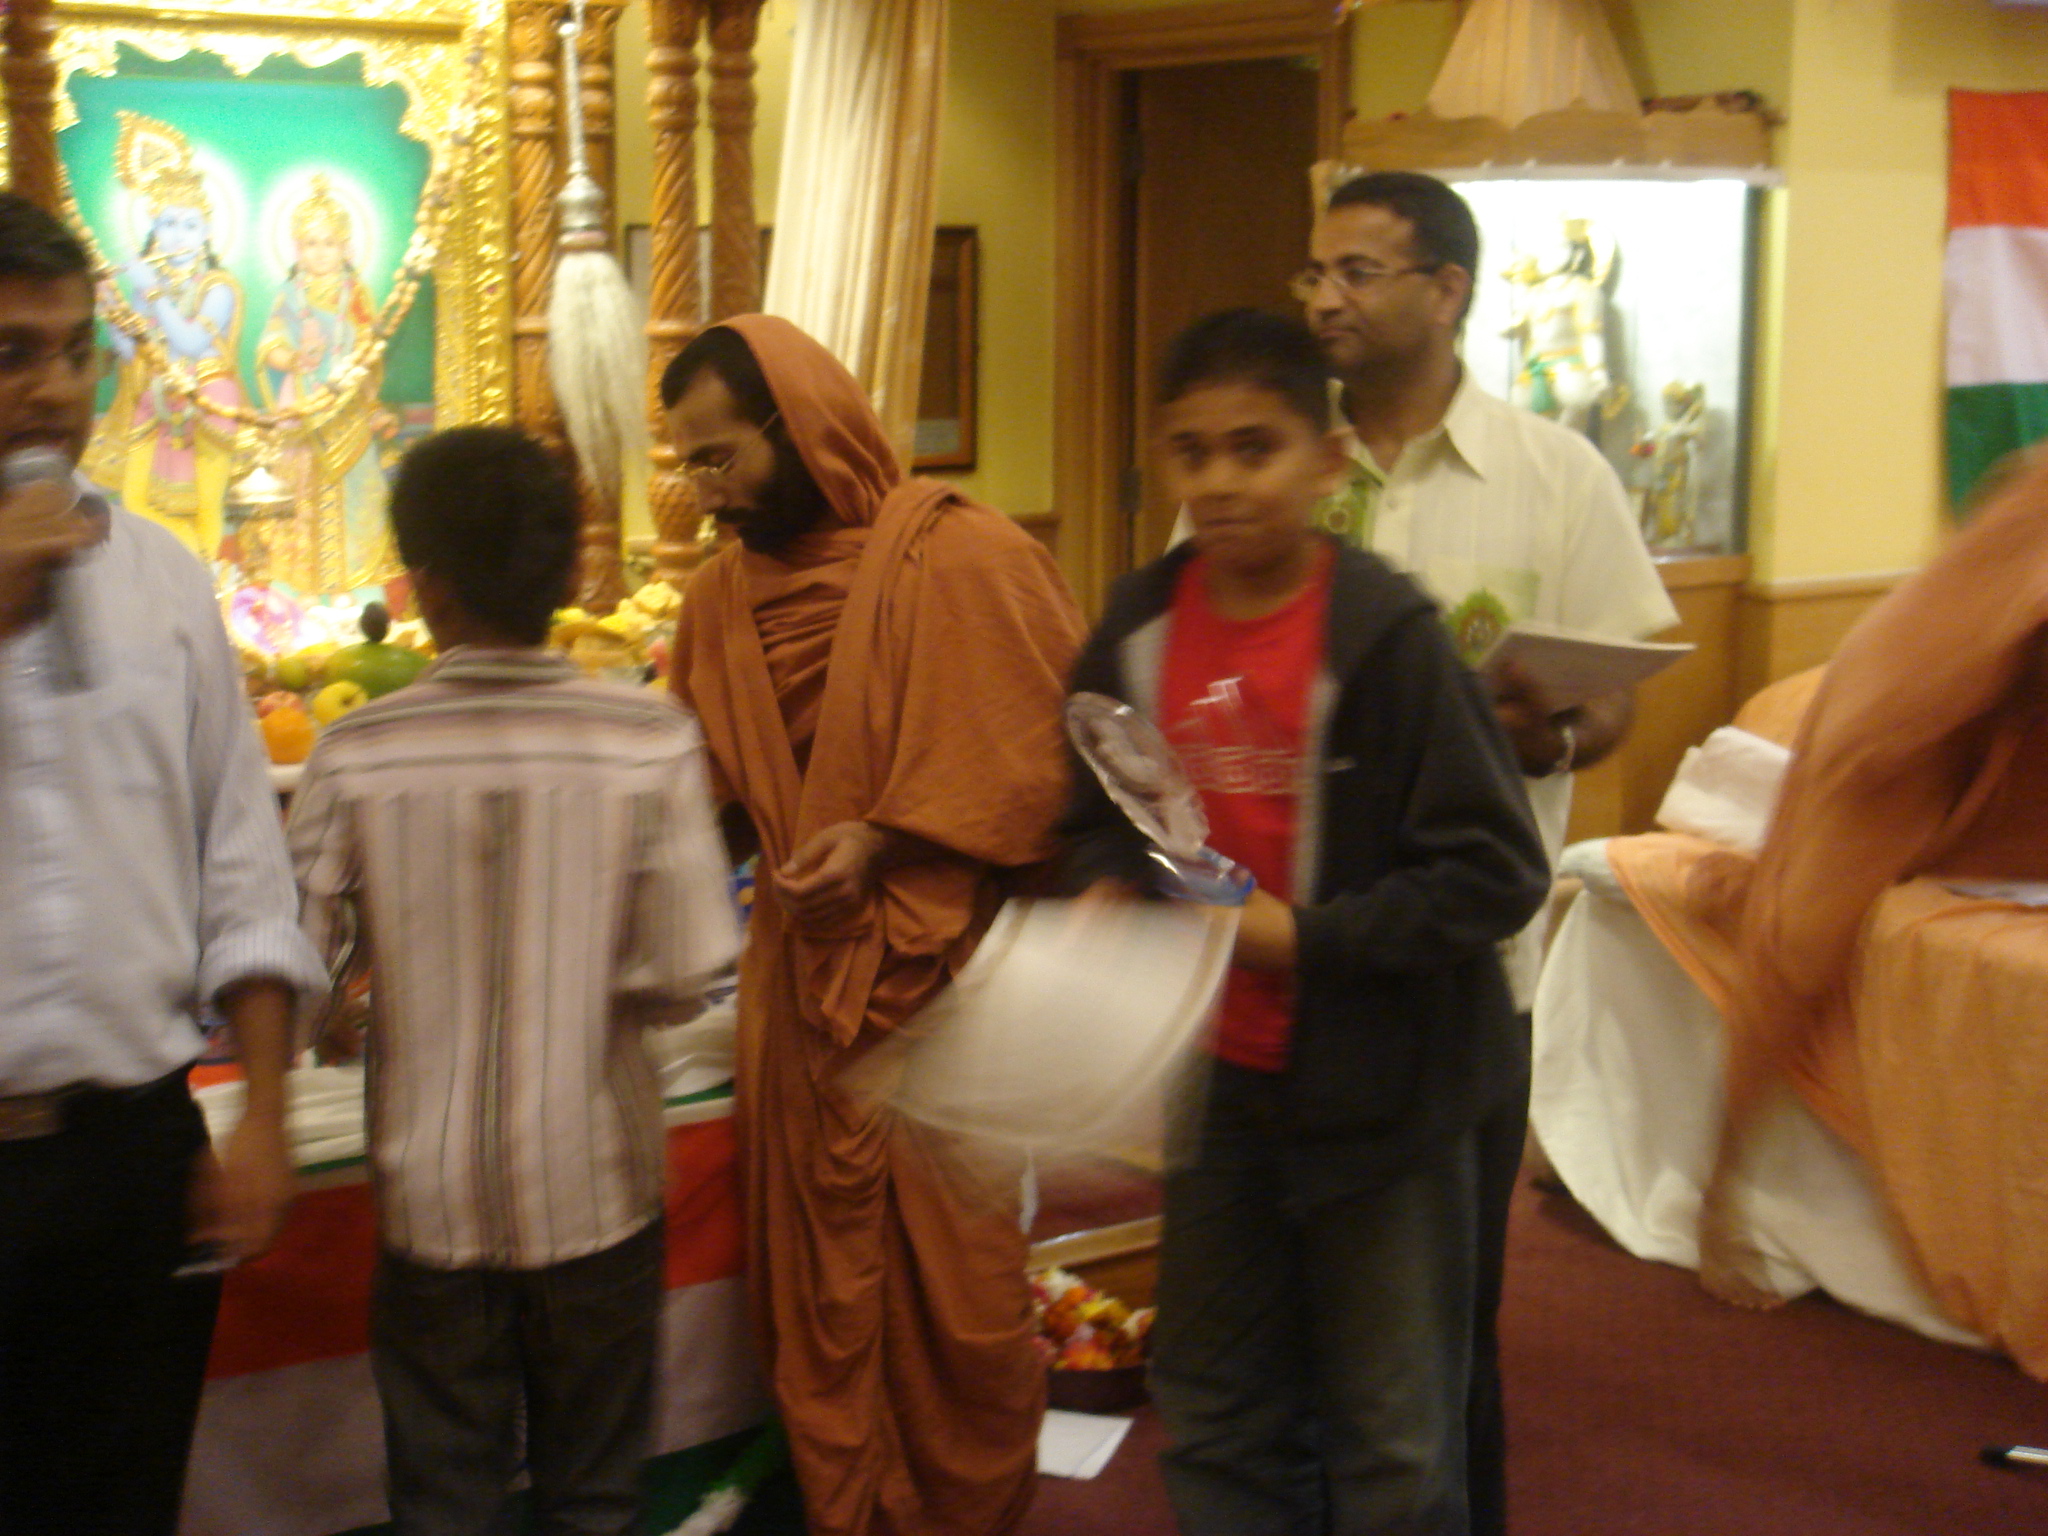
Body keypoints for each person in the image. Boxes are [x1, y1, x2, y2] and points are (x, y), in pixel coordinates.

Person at [1064, 308, 1549, 1534]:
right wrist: (1105, 885)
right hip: (1219, 1085)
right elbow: (1096, 807)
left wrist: (1305, 941)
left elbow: (1493, 872)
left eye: (1255, 447)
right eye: (1191, 452)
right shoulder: (1137, 627)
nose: (1221, 482)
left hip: (1388, 1093)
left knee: (1392, 1432)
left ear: (1326, 462)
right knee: (1215, 1403)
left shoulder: (1386, 639)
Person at [1295, 168, 1678, 1535]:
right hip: (1293, 946)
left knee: (1446, 1315)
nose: (1325, 299)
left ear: (1447, 290)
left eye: (1357, 272)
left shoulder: (1552, 473)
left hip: (1471, 962)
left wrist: (1554, 734)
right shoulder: (1280, 466)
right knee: (1294, 1298)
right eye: (1314, 274)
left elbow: (1616, 690)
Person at [660, 315, 1083, 1536]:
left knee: (964, 1303)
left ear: (800, 429)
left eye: (719, 458)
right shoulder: (716, 603)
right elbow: (703, 807)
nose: (703, 494)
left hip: (943, 1004)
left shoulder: (968, 559)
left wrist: (887, 839)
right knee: (816, 1304)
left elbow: (1052, 774)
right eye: (686, 466)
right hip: (797, 1009)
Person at [287, 425, 737, 1536]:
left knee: (445, 1499)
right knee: (595, 1495)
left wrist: (348, 1005)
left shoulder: (356, 749)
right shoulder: (647, 737)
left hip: (430, 1199)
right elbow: (688, 971)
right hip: (598, 1186)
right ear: (570, 575)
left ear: (427, 585)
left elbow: (295, 968)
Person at [0, 189, 326, 1536]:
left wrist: (266, 1121)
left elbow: (242, 869)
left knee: (121, 1503)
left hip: (129, 1154)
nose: (52, 389)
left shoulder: (166, 581)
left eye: (75, 352)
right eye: (12, 353)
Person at [86, 111, 247, 565]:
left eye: (190, 225)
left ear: (207, 232)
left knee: (206, 506)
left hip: (208, 400)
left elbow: (191, 343)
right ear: (154, 229)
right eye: (168, 223)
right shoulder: (149, 284)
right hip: (154, 401)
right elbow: (130, 351)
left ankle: (200, 575)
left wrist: (151, 293)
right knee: (135, 501)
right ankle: (169, 570)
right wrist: (111, 307)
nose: (178, 236)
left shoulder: (219, 287)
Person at [256, 174, 394, 595]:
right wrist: (293, 357)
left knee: (355, 484)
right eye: (311, 243)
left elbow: (370, 344)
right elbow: (271, 343)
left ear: (346, 248)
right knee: (299, 484)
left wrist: (358, 367)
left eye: (329, 243)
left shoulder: (357, 294)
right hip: (301, 401)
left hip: (347, 402)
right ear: (297, 249)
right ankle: (298, 579)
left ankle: (353, 577)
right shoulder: (289, 294)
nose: (320, 252)